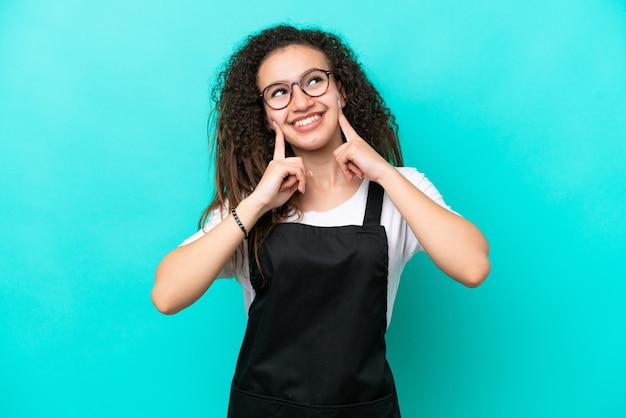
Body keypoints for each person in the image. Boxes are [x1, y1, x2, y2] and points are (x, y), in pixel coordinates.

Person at [152, 24, 490, 418]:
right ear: (263, 115)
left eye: (314, 81)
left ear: (341, 89)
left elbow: (473, 266)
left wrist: (383, 172)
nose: (300, 101)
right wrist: (259, 201)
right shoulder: (251, 203)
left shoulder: (399, 189)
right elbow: (167, 295)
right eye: (279, 92)